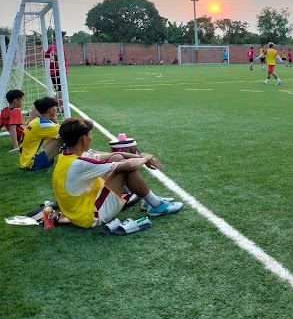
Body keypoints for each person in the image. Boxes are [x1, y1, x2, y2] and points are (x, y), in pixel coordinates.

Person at [52, 118, 183, 229]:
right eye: (90, 134)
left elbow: (114, 155)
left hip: (79, 209)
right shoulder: (80, 163)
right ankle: (157, 205)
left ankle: (150, 201)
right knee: (124, 168)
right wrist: (146, 158)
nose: (92, 137)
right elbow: (129, 165)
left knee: (117, 158)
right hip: (90, 216)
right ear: (83, 139)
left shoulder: (67, 155)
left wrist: (140, 156)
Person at [19, 97, 61, 170]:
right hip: (33, 162)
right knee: (64, 136)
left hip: (26, 160)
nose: (57, 108)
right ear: (50, 109)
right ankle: (72, 155)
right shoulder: (44, 125)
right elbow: (65, 131)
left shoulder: (38, 121)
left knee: (60, 134)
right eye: (55, 106)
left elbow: (58, 127)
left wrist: (53, 117)